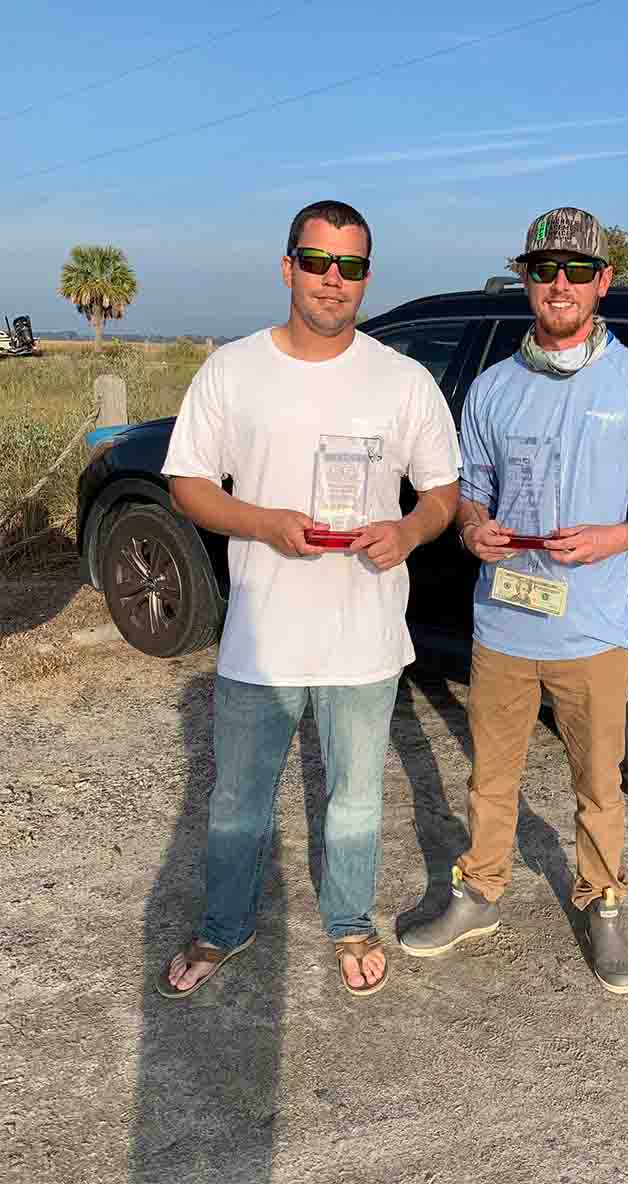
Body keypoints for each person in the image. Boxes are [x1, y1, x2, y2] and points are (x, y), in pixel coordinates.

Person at [157, 200, 460, 999]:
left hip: (363, 635)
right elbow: (187, 484)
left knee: (356, 795)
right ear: (287, 265)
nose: (334, 280)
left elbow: (443, 491)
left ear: (366, 276)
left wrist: (411, 530)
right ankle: (225, 927)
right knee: (237, 798)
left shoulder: (402, 380)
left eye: (351, 266)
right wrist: (262, 521)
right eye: (318, 261)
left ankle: (349, 921)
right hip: (262, 636)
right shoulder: (232, 369)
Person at [399, 207, 628, 994]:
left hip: (593, 631)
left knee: (600, 783)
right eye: (542, 270)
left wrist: (614, 538)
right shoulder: (494, 388)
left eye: (574, 271)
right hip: (502, 626)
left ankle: (602, 906)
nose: (557, 285)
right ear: (526, 280)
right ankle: (480, 893)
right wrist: (471, 527)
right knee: (491, 778)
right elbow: (473, 491)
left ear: (602, 283)